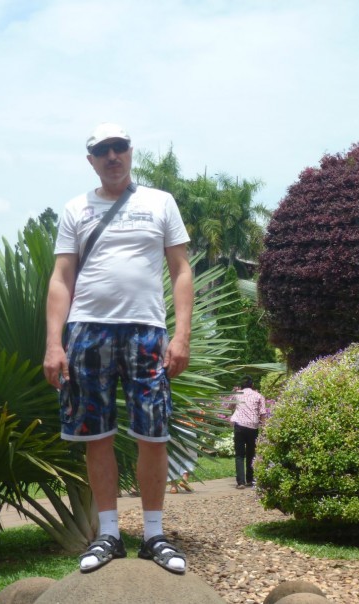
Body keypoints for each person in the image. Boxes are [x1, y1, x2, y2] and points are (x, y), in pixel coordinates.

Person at [43, 123, 194, 574]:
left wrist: (181, 335)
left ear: (130, 151)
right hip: (88, 330)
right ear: (91, 159)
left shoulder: (160, 202)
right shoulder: (76, 209)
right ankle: (108, 534)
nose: (112, 156)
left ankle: (153, 535)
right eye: (102, 150)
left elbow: (181, 270)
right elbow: (61, 277)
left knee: (154, 434)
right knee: (96, 435)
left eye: (119, 147)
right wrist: (53, 343)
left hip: (146, 332)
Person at [227, 375, 267, 488]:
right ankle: (250, 479)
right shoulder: (259, 396)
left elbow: (229, 407)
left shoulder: (237, 395)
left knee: (239, 455)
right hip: (253, 427)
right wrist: (264, 427)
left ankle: (241, 482)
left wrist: (233, 393)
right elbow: (263, 413)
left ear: (241, 386)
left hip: (239, 426)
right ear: (252, 385)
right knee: (251, 453)